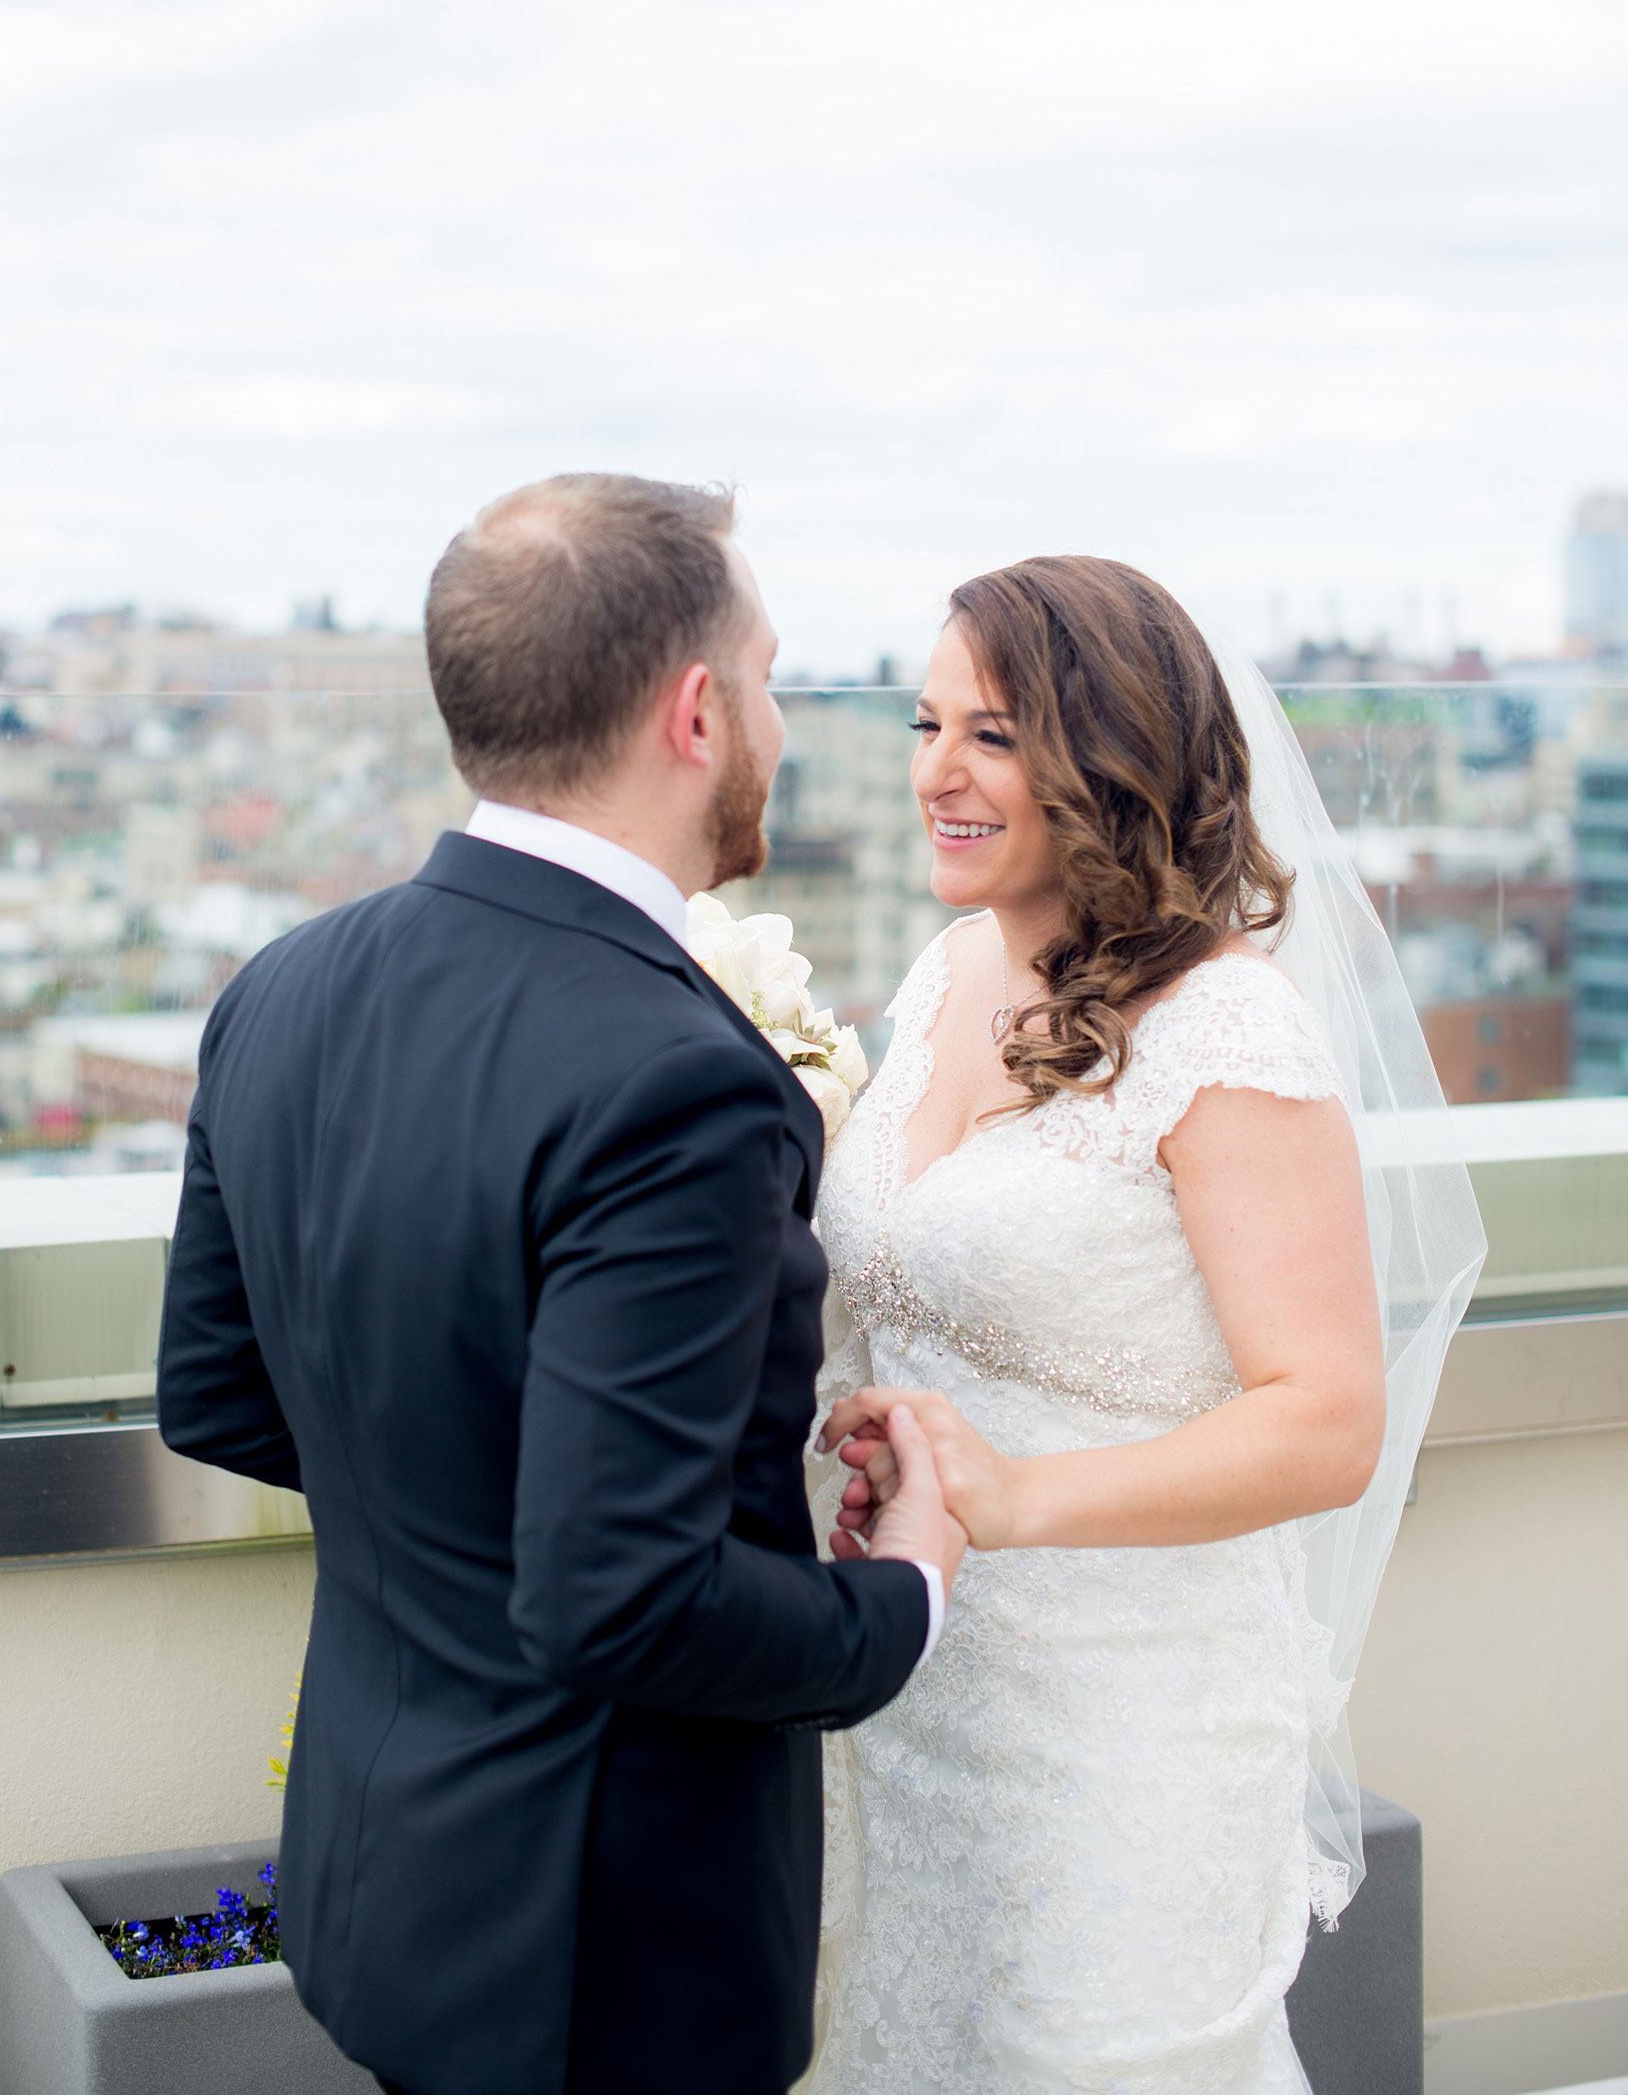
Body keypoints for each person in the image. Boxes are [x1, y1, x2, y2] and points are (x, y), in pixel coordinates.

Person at [155, 473, 964, 2095]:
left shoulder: (282, 989)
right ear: (694, 710)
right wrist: (906, 1594)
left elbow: (220, 1393)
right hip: (606, 1954)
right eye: (772, 676)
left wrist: (493, 1504)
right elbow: (621, 1594)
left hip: (392, 1882)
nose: (784, 725)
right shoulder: (684, 1081)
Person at [806, 555, 1481, 2095]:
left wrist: (1016, 1494)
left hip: (1126, 1724)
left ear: (1105, 755)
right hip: (913, 1704)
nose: (939, 774)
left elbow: (1327, 1415)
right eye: (926, 723)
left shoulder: (1227, 1030)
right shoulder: (949, 966)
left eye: (995, 732)